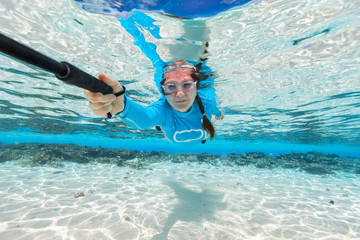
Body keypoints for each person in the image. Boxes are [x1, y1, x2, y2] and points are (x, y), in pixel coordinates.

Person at [84, 60, 224, 144]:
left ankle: (202, 140)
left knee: (203, 139)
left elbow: (214, 109)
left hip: (201, 137)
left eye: (187, 85)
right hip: (169, 122)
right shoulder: (163, 109)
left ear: (196, 87)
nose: (180, 93)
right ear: (163, 90)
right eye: (171, 87)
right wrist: (122, 107)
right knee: (159, 120)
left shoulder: (207, 100)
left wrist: (218, 113)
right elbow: (145, 118)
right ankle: (159, 124)